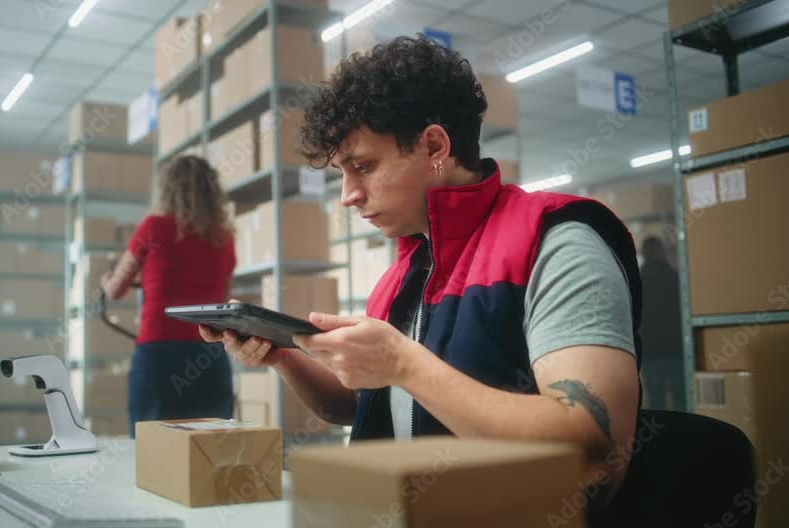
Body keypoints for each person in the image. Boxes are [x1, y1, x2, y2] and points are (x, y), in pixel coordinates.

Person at [200, 36, 642, 510]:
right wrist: (284, 356)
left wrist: (402, 362)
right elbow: (360, 405)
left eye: (363, 167)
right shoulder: (407, 270)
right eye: (341, 174)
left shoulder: (558, 243)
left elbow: (591, 442)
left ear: (434, 146)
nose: (348, 195)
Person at [103, 155, 236, 437]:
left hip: (159, 355)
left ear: (167, 189)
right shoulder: (224, 239)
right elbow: (224, 300)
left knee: (152, 448)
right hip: (209, 354)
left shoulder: (153, 227)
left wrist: (105, 281)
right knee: (211, 447)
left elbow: (115, 289)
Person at [638, 236, 684, 410]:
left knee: (656, 402)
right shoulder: (675, 278)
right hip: (675, 349)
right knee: (681, 399)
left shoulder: (637, 281)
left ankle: (662, 436)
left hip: (651, 352)